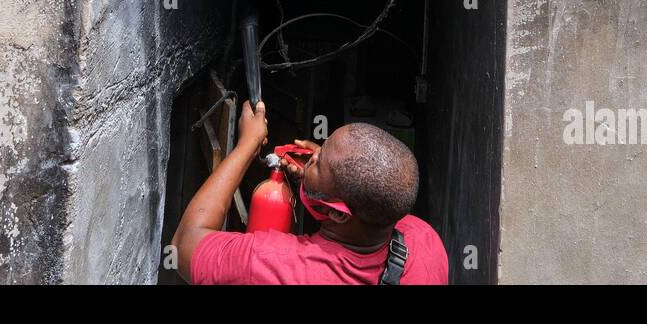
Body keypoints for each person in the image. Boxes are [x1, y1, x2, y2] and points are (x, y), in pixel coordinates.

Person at [174, 100, 449, 284]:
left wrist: (247, 143)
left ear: (338, 214)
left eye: (320, 160)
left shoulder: (277, 265)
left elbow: (184, 244)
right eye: (323, 146)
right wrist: (329, 177)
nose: (313, 154)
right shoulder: (425, 240)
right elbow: (374, 193)